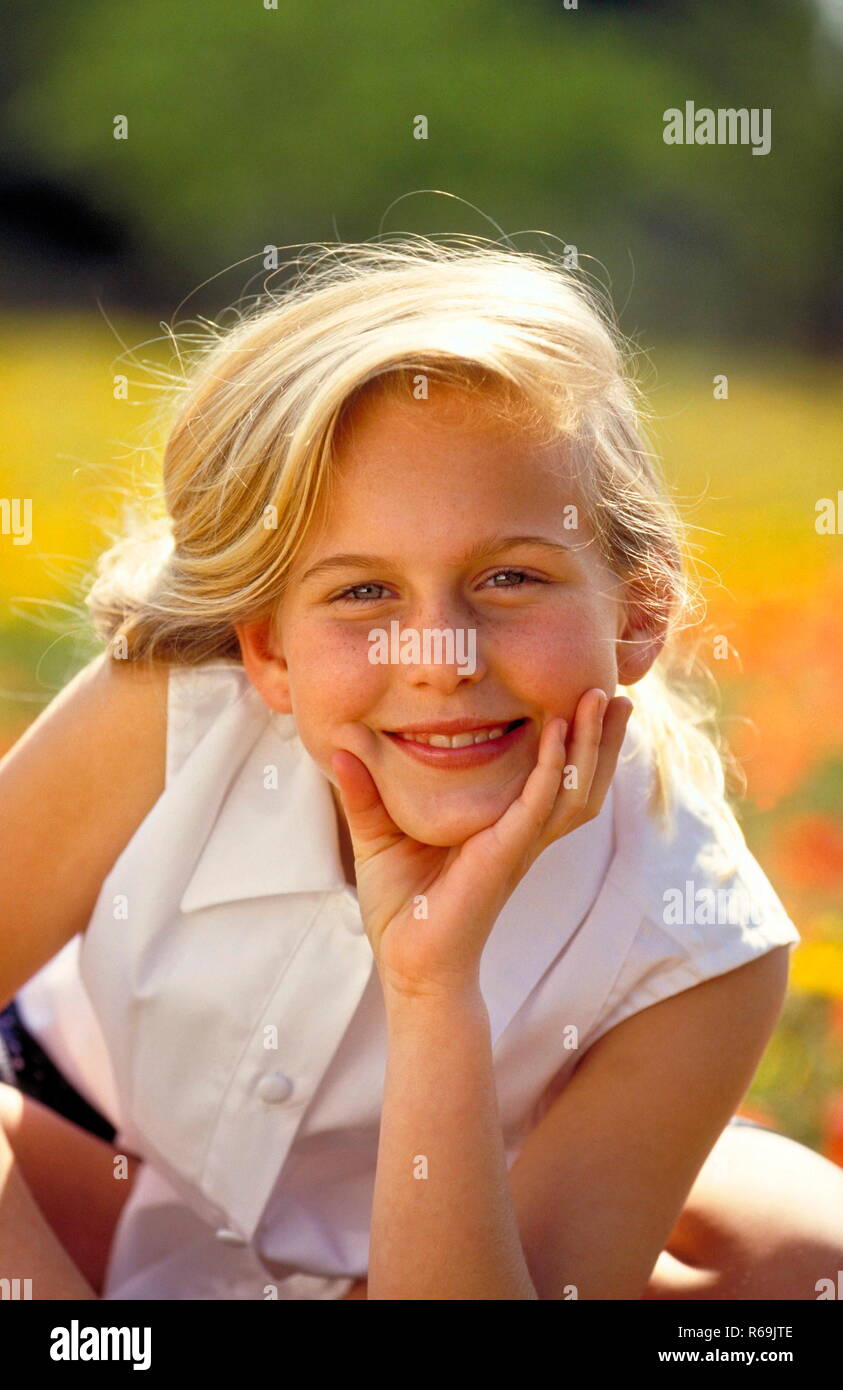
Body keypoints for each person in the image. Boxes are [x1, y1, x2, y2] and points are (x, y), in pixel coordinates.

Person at [2, 236, 842, 1300]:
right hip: (75, 1160)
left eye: (508, 576)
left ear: (637, 615)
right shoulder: (176, 702)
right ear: (267, 647)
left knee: (807, 1262)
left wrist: (434, 985)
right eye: (363, 593)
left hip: (404, 1254)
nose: (439, 658)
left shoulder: (698, 941)